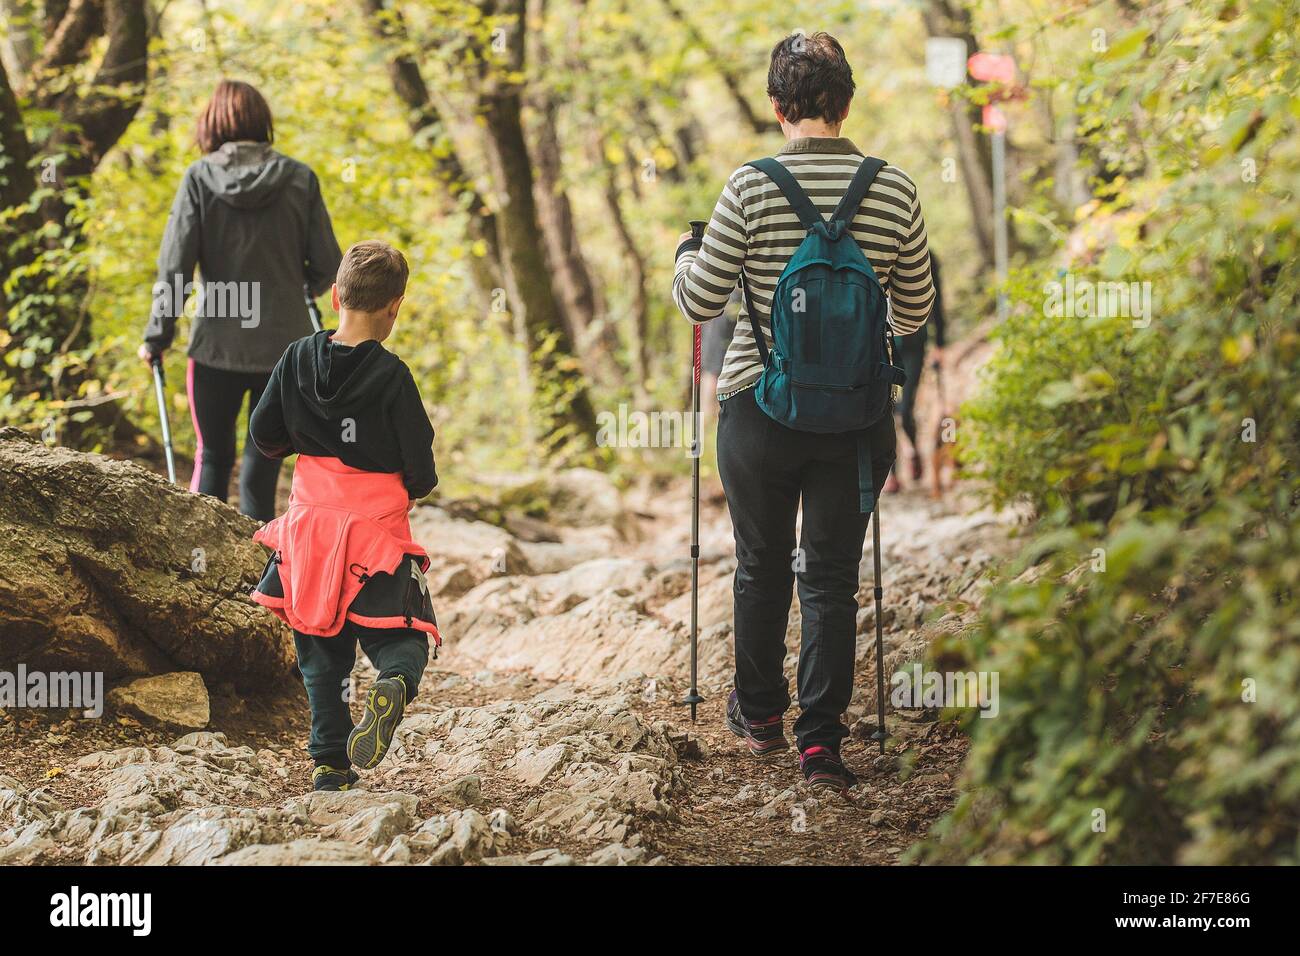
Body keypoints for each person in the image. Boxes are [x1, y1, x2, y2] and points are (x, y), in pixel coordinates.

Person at [673, 32, 934, 793]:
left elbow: (700, 300)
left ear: (776, 105)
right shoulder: (893, 189)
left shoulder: (749, 187)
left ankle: (758, 714)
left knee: (760, 564)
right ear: (846, 103)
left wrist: (688, 256)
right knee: (831, 576)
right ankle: (821, 743)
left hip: (757, 409)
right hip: (855, 419)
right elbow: (913, 313)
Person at [247, 240, 439, 792]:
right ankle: (394, 684)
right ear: (394, 307)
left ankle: (330, 765)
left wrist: (307, 438)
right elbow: (420, 469)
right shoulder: (393, 375)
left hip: (310, 528)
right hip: (374, 534)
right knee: (401, 636)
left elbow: (264, 436)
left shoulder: (296, 357)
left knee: (320, 651)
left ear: (335, 296)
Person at [142, 79, 342, 521]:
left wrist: (158, 336)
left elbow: (176, 267)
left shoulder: (198, 178)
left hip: (216, 346)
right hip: (283, 351)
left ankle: (197, 565)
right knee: (262, 464)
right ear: (261, 121)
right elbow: (331, 267)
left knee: (211, 457)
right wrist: (293, 283)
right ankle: (256, 575)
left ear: (212, 123)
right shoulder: (299, 178)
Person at [884, 251, 946, 492]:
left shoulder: (928, 256)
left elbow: (936, 304)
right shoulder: (879, 247)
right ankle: (892, 472)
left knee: (906, 407)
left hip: (913, 344)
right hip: (884, 343)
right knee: (885, 407)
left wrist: (939, 343)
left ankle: (913, 450)